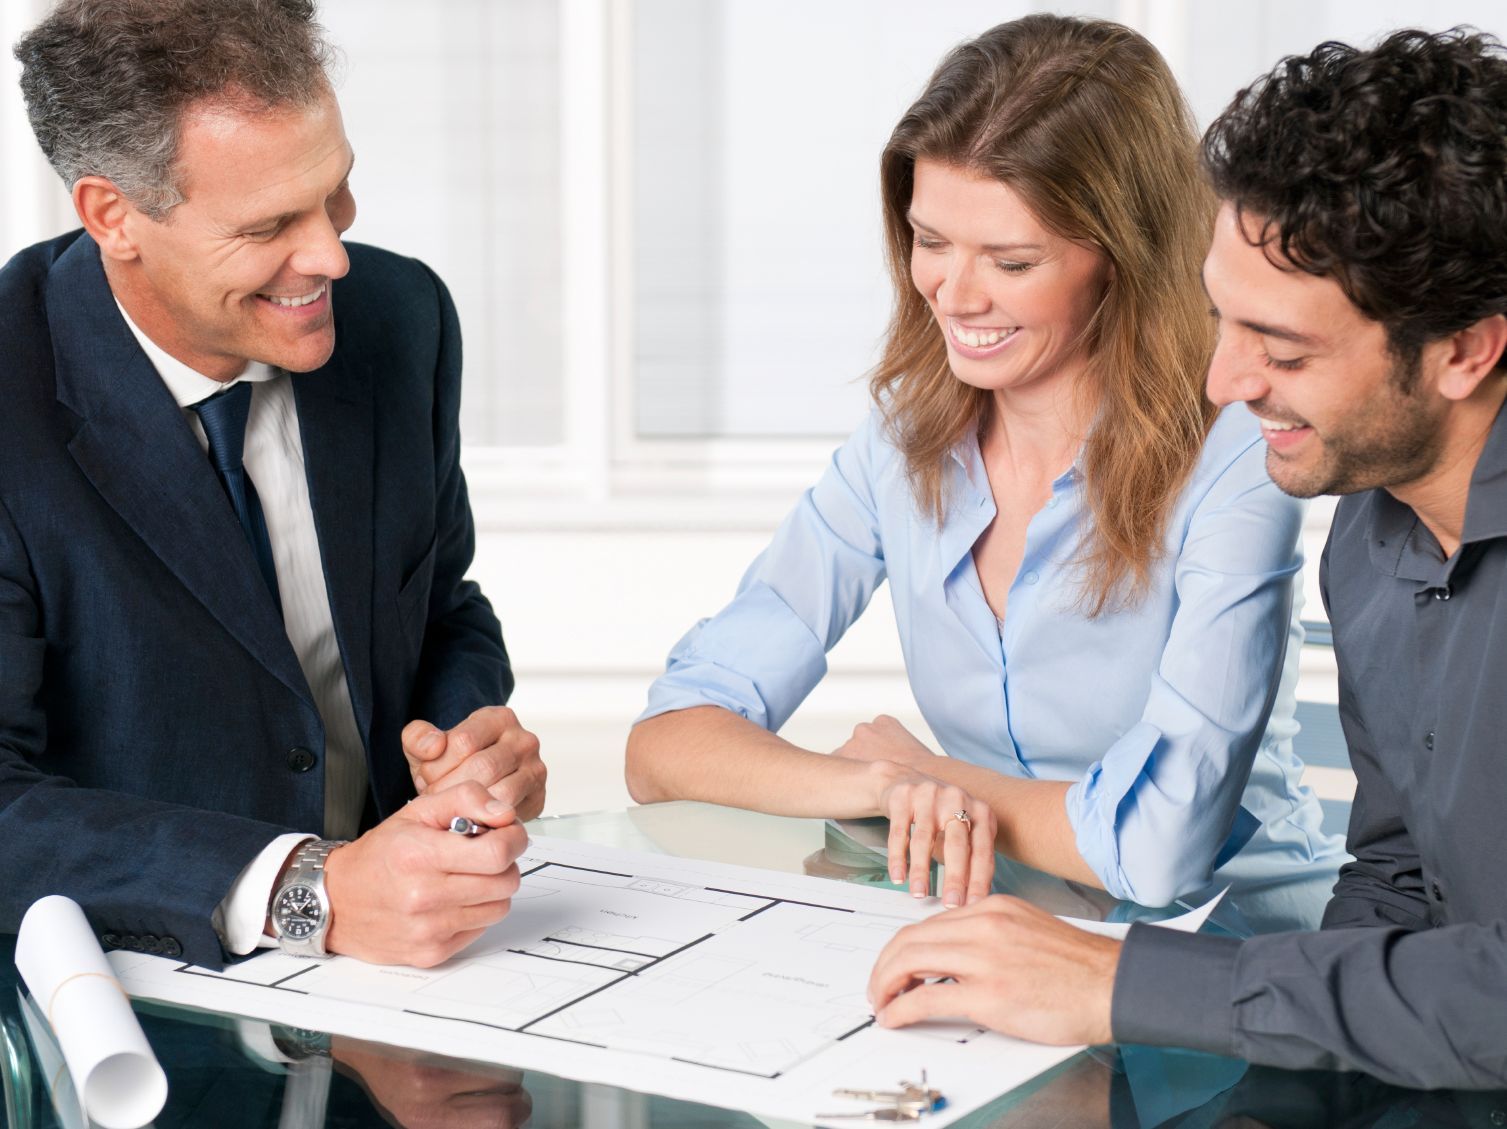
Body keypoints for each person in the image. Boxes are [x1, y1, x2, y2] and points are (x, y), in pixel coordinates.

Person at [867, 27, 1507, 1091]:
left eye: (1282, 349)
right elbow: (1400, 884)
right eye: (1222, 321)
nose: (1222, 383)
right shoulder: (1372, 529)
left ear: (1464, 351)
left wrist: (1125, 982)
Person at [626, 14, 1341, 915]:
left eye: (1010, 260)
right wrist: (883, 786)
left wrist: (946, 782)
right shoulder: (902, 442)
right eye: (931, 241)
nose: (953, 295)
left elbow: (1159, 849)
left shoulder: (1237, 455)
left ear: (1123, 257)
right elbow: (665, 746)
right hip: (1005, 935)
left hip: (1230, 958)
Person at [0, 0, 545, 970]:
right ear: (113, 216)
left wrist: (465, 745)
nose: (331, 255)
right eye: (268, 225)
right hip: (118, 991)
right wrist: (307, 889)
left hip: (409, 978)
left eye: (335, 192)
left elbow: (438, 607)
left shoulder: (401, 319)